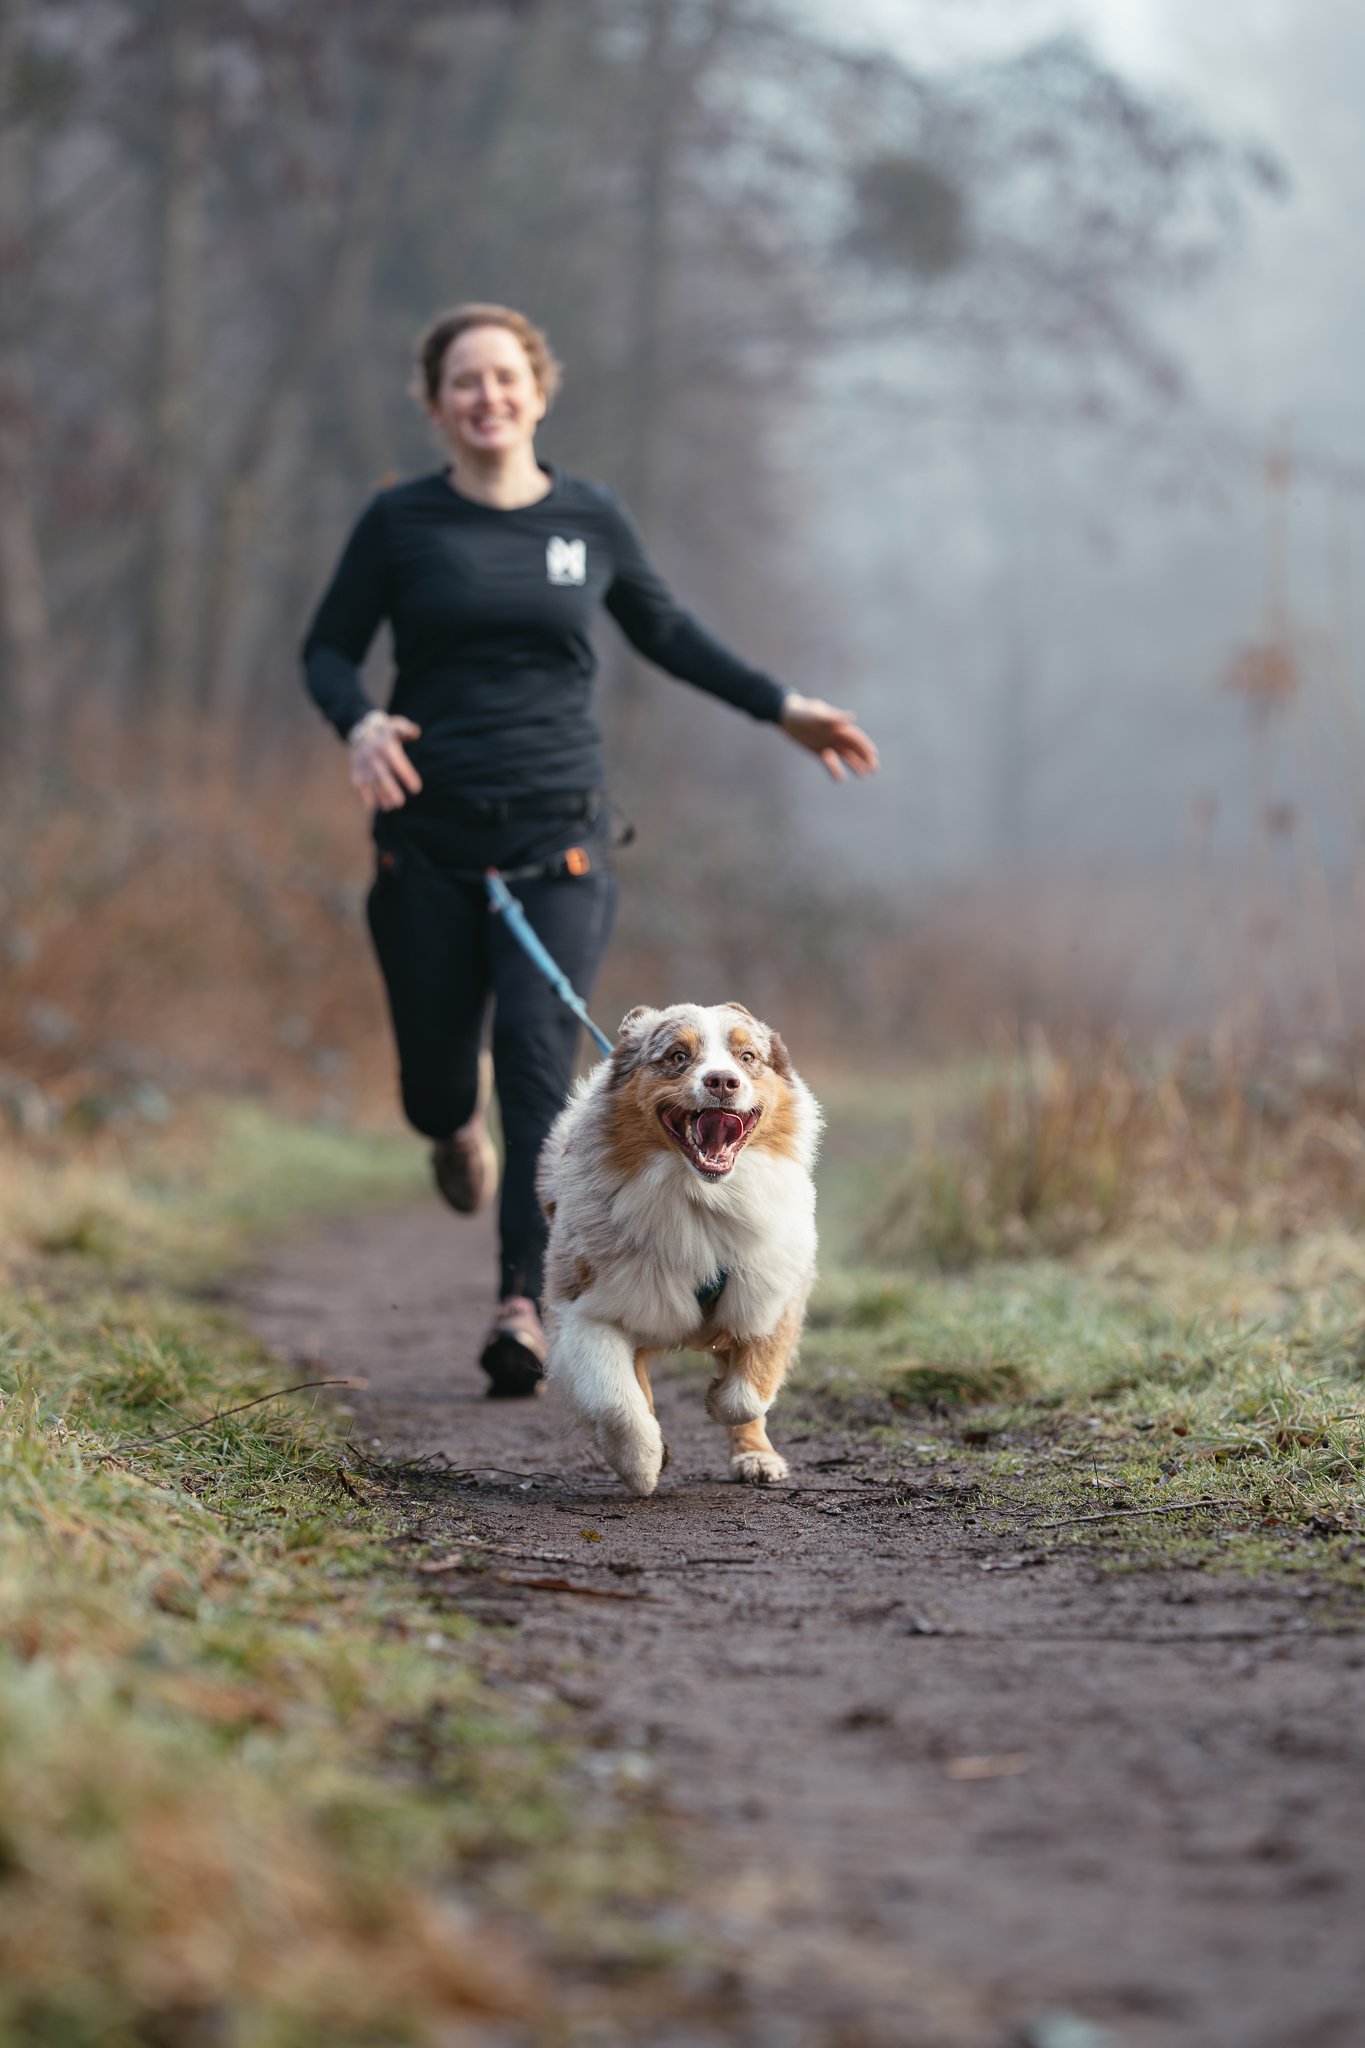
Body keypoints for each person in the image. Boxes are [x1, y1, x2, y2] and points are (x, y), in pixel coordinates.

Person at [302, 303, 878, 1397]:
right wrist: (361, 720)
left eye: (506, 377)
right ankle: (447, 1123)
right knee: (435, 1083)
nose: (488, 397)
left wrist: (781, 707)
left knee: (533, 1048)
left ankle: (522, 1297)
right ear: (436, 405)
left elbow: (666, 632)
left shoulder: (590, 519)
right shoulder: (399, 523)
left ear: (539, 389)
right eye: (464, 382)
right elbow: (327, 648)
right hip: (424, 845)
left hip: (558, 839)